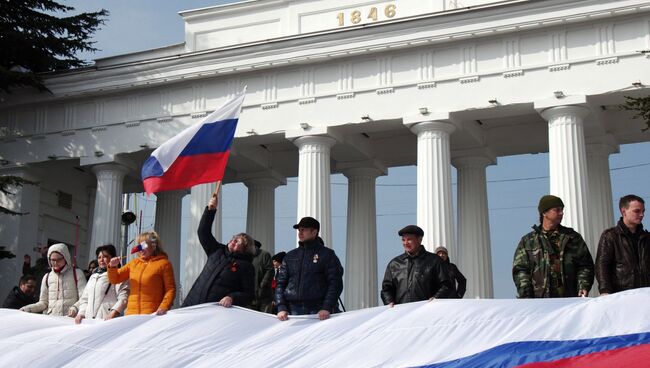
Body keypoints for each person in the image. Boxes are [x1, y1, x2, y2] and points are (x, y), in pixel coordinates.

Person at [181, 194, 256, 309]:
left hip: (215, 311)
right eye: (234, 238)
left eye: (238, 241)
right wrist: (211, 210)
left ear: (244, 249)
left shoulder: (246, 267)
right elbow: (203, 232)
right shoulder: (217, 250)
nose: (233, 241)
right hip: (192, 304)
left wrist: (232, 297)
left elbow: (248, 294)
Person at [512, 195, 594, 298]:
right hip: (539, 302)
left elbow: (585, 265)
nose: (561, 213)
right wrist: (526, 295)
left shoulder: (572, 237)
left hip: (570, 300)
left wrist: (583, 286)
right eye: (557, 210)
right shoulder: (528, 241)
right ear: (544, 213)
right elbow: (520, 269)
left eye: (562, 210)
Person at [275, 217, 343, 321]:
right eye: (299, 230)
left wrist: (326, 307)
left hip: (318, 310)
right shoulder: (290, 256)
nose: (300, 233)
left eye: (304, 230)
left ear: (314, 232)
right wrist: (281, 307)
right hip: (292, 310)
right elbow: (280, 284)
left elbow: (335, 283)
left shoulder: (327, 254)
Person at [381, 225, 452, 306]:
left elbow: (447, 285)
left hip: (427, 313)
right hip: (401, 315)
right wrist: (389, 302)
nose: (405, 243)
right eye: (403, 240)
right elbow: (386, 289)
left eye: (409, 240)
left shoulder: (434, 261)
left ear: (420, 240)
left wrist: (436, 299)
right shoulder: (394, 264)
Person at [108, 231, 175, 315]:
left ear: (154, 246)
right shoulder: (133, 264)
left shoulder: (164, 264)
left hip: (152, 315)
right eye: (139, 246)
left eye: (144, 245)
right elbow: (115, 279)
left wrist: (164, 306)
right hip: (131, 315)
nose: (141, 249)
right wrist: (112, 267)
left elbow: (170, 289)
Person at [596, 194, 650, 295]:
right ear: (623, 211)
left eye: (643, 211)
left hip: (645, 294)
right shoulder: (610, 236)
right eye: (637, 211)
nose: (642, 214)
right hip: (621, 295)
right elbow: (602, 265)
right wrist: (604, 290)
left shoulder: (647, 238)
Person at [20, 243, 87, 315]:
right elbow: (43, 303)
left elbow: (84, 298)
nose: (55, 263)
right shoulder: (47, 277)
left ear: (66, 258)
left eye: (59, 259)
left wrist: (75, 308)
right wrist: (28, 308)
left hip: (70, 320)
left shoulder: (77, 273)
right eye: (53, 260)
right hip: (52, 320)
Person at [70, 244, 129, 323]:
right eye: (99, 257)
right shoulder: (93, 276)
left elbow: (123, 298)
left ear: (112, 258)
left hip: (107, 320)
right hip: (88, 320)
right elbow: (85, 299)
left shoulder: (119, 275)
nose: (101, 260)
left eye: (105, 257)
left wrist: (113, 313)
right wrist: (81, 313)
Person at [251, 240, 274, 313]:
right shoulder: (246, 256)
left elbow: (270, 271)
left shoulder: (265, 255)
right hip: (252, 297)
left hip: (265, 297)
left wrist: (262, 286)